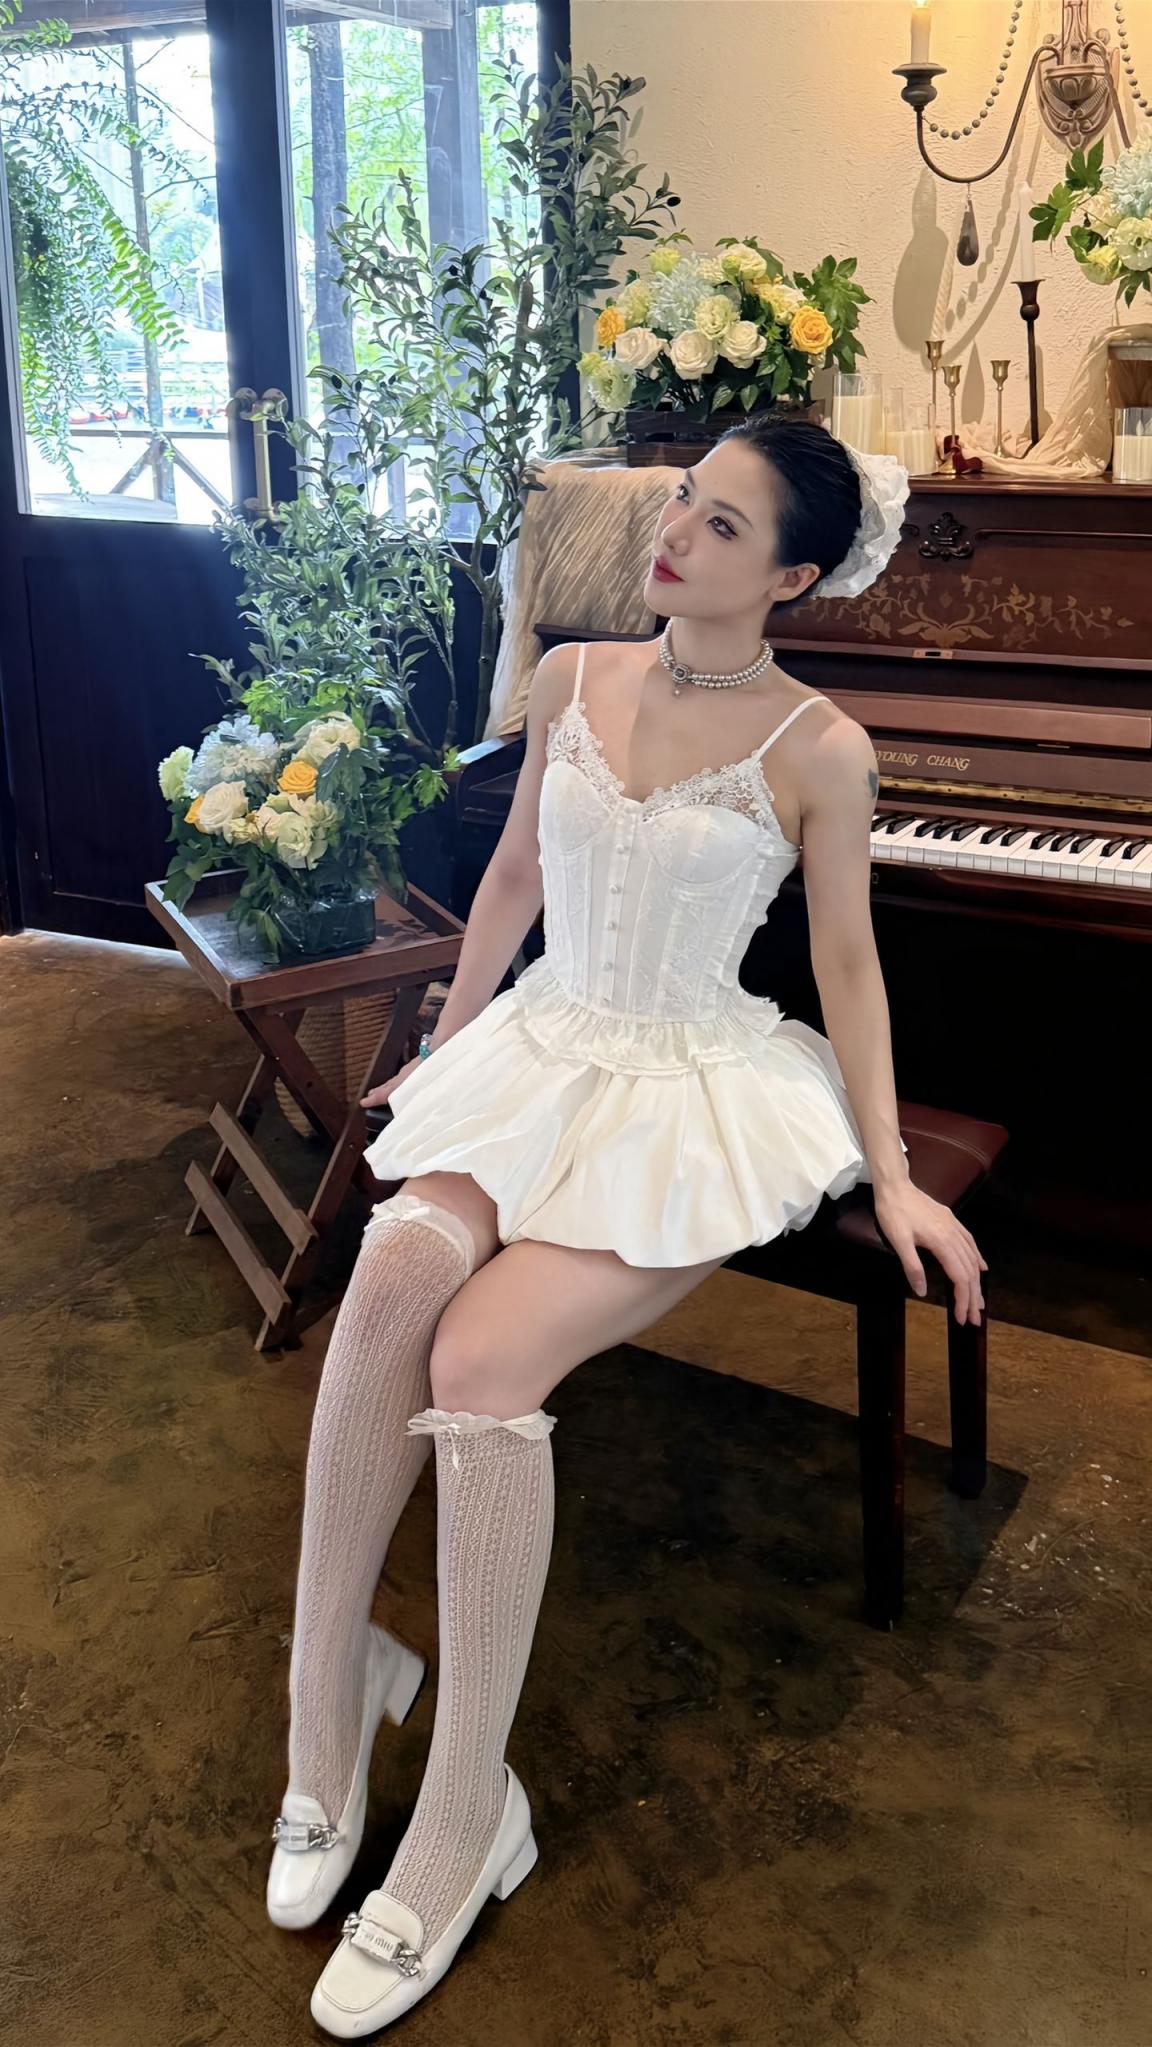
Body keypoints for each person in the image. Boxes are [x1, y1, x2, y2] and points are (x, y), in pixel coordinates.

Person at [266, 417, 987, 2036]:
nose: (675, 534)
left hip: (686, 1092)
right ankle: (328, 1701)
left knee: (481, 1360)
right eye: (684, 501)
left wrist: (889, 1172)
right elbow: (516, 878)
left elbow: (849, 965)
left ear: (793, 575)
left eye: (723, 526)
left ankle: (469, 1817)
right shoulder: (574, 675)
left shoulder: (821, 747)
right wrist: (447, 1039)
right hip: (543, 1043)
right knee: (393, 1264)